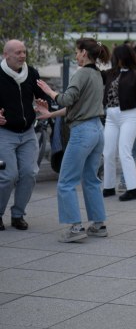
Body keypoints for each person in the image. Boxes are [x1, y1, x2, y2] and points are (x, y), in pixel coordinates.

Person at [36, 39, 110, 243]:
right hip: (97, 129)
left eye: (77, 52)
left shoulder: (81, 73)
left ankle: (76, 228)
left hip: (82, 132)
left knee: (66, 181)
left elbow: (66, 99)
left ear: (84, 53)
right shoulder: (97, 74)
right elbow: (77, 106)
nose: (76, 56)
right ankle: (98, 225)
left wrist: (49, 91)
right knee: (91, 178)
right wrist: (50, 115)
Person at [102, 44, 136, 201]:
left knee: (124, 151)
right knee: (108, 152)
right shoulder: (111, 73)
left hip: (129, 116)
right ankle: (108, 187)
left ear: (123, 57)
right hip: (111, 116)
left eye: (116, 57)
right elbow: (96, 74)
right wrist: (96, 49)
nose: (115, 59)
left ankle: (133, 189)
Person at [0, 40, 44, 231]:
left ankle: (18, 215)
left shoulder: (31, 73)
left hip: (27, 133)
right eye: (18, 53)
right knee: (8, 176)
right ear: (6, 55)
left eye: (24, 52)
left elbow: (43, 94)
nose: (22, 56)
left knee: (29, 173)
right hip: (5, 133)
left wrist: (44, 104)